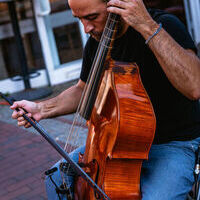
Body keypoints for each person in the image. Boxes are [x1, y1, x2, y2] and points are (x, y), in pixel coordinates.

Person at [11, 0, 200, 199]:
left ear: (116, 5)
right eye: (79, 19)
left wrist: (146, 25)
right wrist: (41, 108)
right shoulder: (97, 42)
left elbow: (195, 86)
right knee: (57, 179)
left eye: (92, 17)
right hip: (117, 145)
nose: (86, 29)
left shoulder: (164, 25)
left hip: (175, 144)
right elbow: (82, 90)